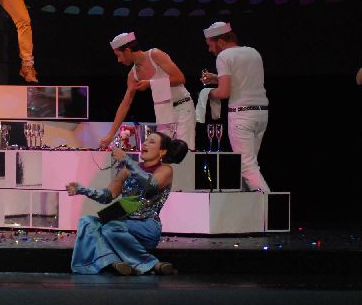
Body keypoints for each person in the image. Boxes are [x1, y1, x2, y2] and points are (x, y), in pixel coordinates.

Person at [67, 132, 188, 275]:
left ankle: (150, 263)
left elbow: (150, 185)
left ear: (162, 151)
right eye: (146, 140)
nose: (145, 143)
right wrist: (82, 190)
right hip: (122, 222)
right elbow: (107, 196)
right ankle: (115, 262)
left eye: (151, 142)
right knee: (86, 221)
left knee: (111, 228)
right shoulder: (126, 171)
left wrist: (127, 160)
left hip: (146, 226)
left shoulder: (165, 170)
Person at [200, 22, 270, 192]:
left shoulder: (224, 56)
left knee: (247, 167)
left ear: (220, 41)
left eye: (210, 45)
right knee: (250, 166)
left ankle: (269, 204)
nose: (210, 49)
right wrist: (216, 78)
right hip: (260, 114)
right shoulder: (253, 52)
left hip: (242, 116)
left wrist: (207, 93)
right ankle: (250, 206)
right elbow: (242, 81)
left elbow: (223, 93)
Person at [99, 32, 195, 151]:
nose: (119, 60)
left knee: (184, 151)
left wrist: (150, 83)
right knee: (165, 152)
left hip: (182, 107)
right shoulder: (133, 75)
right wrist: (110, 135)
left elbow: (180, 78)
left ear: (127, 51)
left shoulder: (155, 55)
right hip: (164, 113)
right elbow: (125, 104)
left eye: (119, 55)